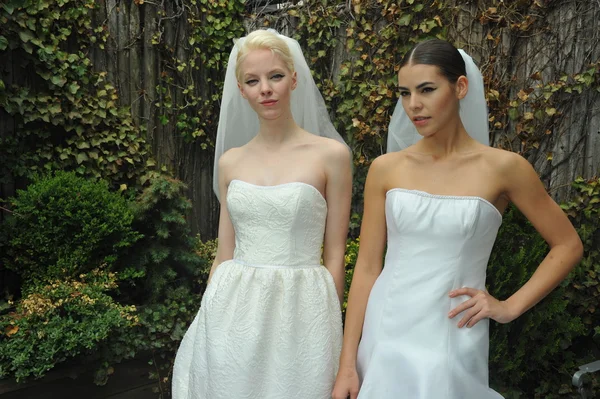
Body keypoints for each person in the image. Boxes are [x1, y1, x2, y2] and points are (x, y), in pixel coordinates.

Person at [331, 39, 583, 399]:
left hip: (452, 330)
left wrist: (508, 307)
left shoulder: (505, 168)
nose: (414, 105)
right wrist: (346, 365)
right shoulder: (385, 169)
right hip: (385, 329)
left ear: (460, 87)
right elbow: (369, 267)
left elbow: (568, 245)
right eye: (405, 93)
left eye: (427, 89)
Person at [172, 29, 352, 399]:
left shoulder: (332, 156)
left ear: (294, 78)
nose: (265, 89)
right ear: (241, 89)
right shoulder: (230, 162)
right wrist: (207, 316)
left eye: (275, 76)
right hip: (232, 312)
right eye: (253, 81)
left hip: (303, 310)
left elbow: (335, 253)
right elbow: (225, 253)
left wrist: (331, 327)